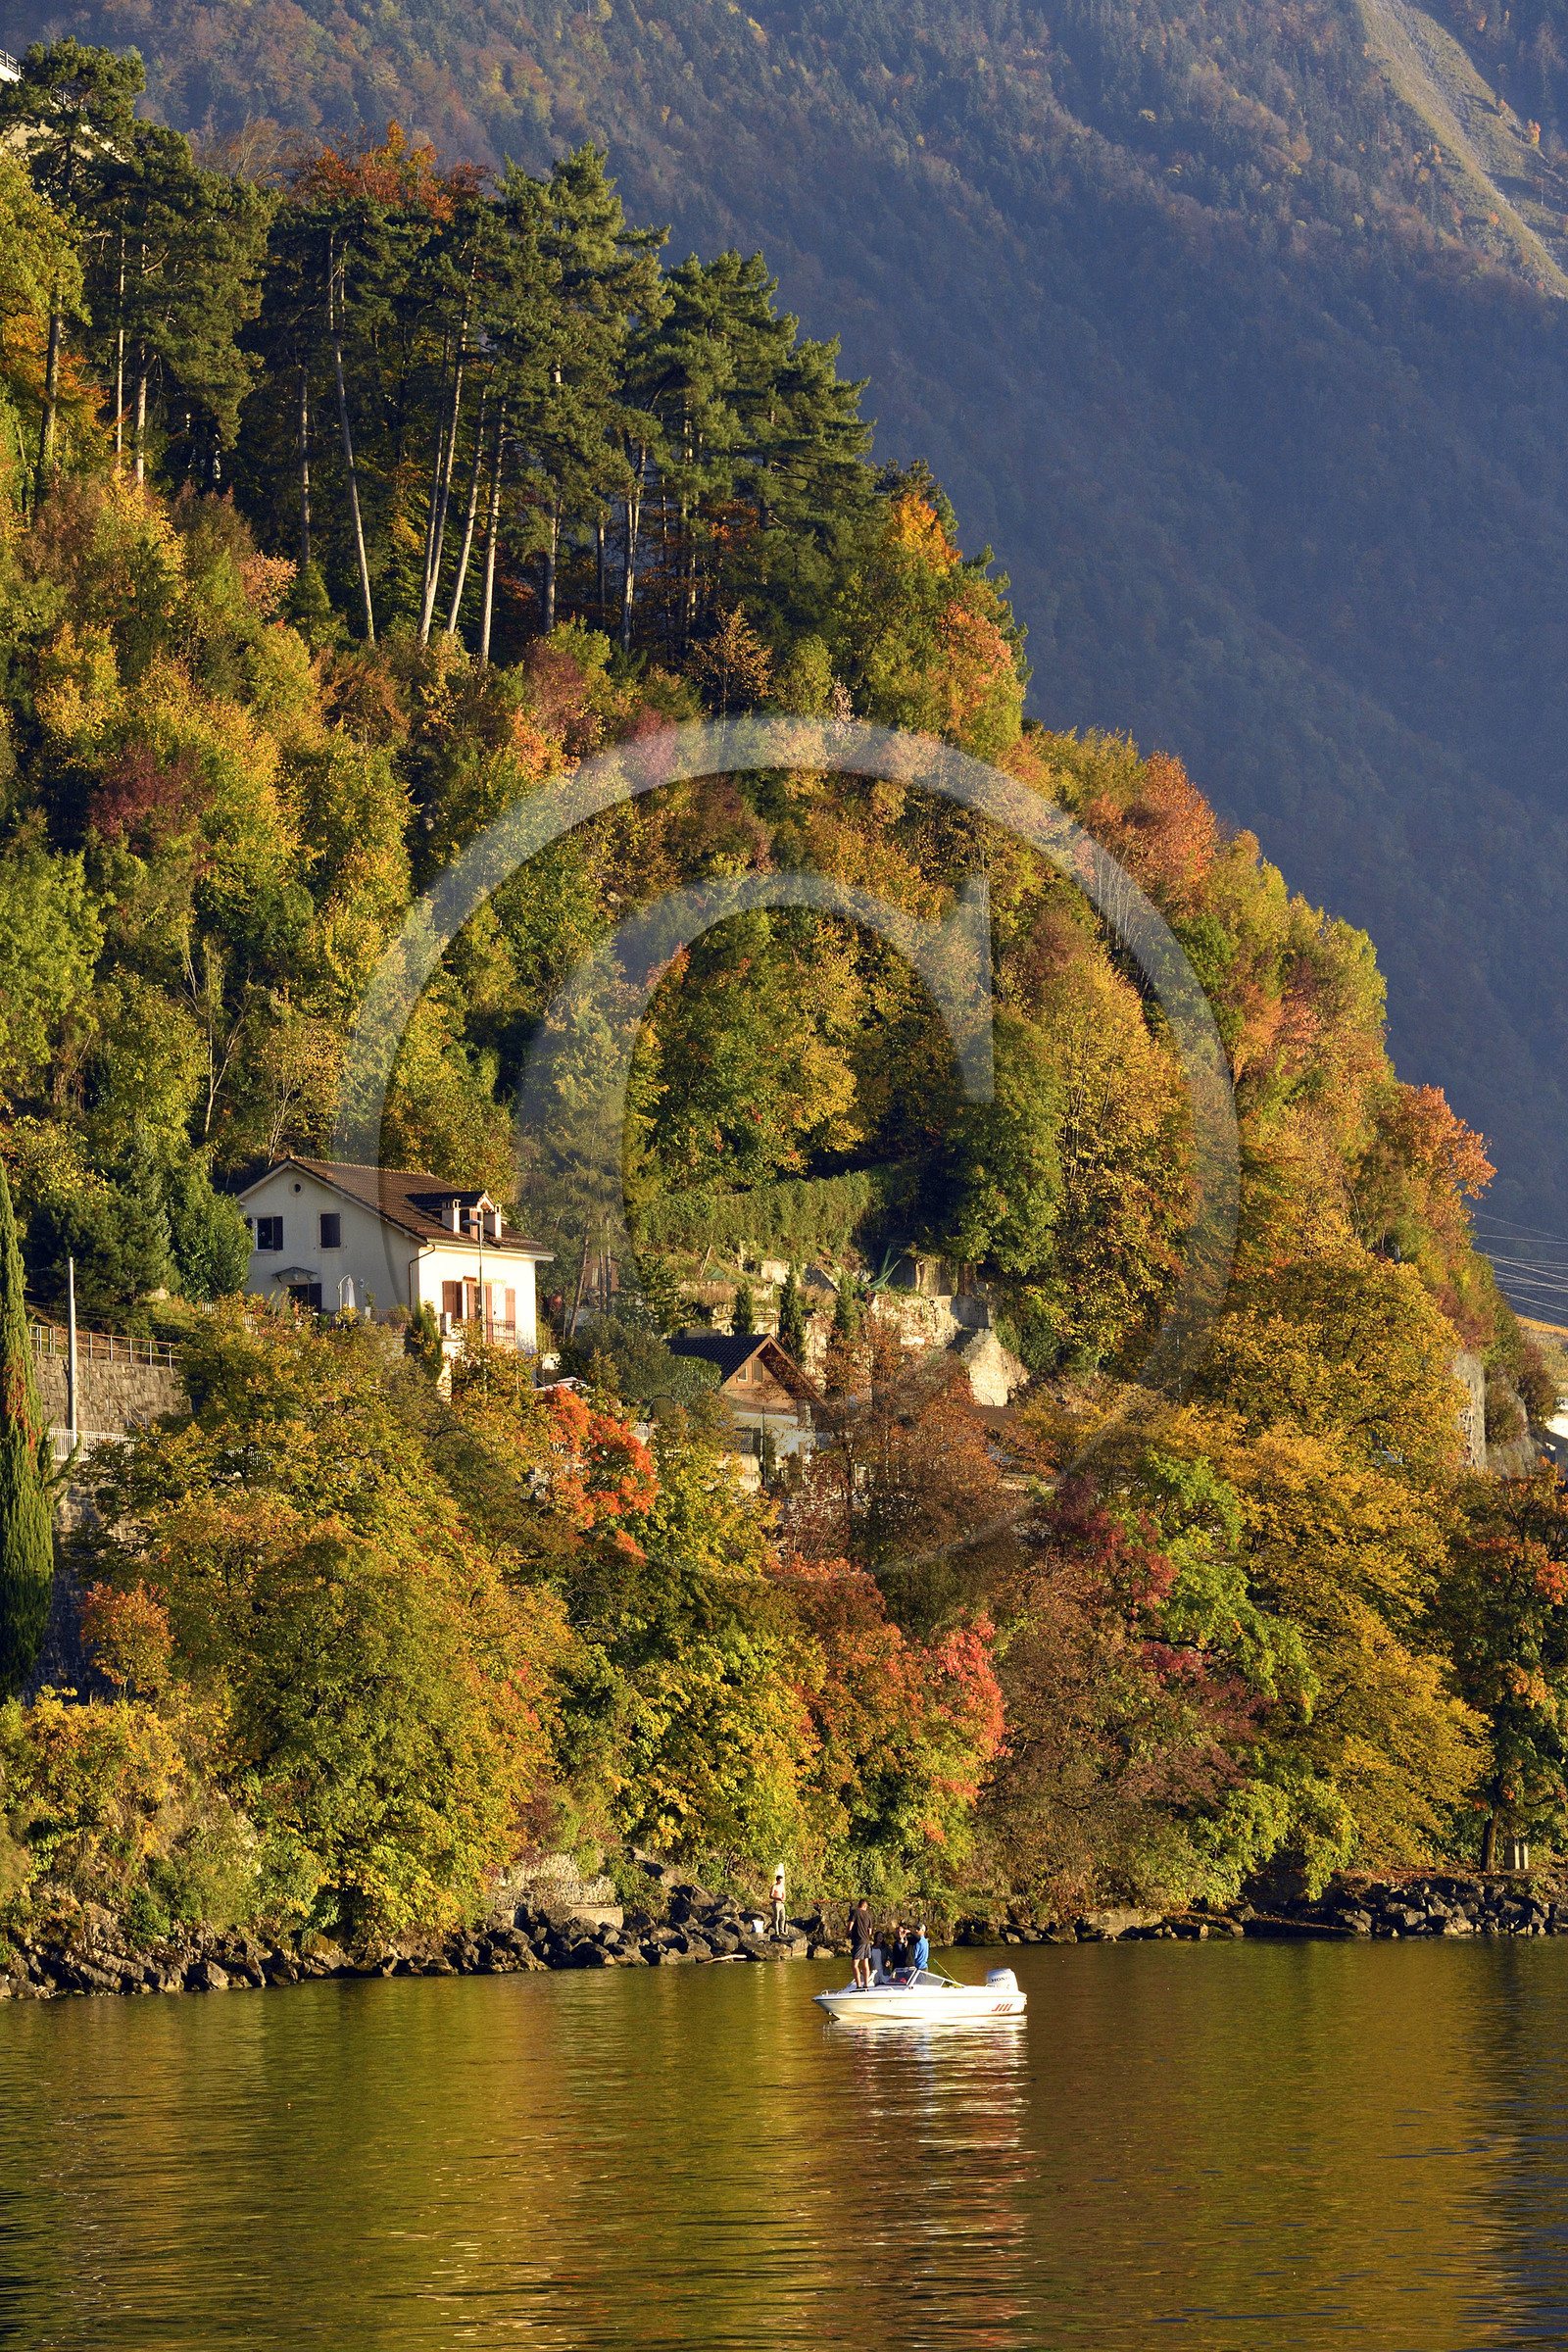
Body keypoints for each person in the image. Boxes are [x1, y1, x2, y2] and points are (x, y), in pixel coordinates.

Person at [851, 1897, 874, 1987]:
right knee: (865, 1963)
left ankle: (859, 1985)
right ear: (865, 1906)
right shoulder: (868, 1916)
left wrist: (848, 1932)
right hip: (867, 1941)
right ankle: (866, 1985)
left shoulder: (855, 1912)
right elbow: (870, 1931)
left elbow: (851, 1924)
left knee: (855, 1964)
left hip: (859, 1941)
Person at [769, 1863, 787, 1941]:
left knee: (783, 1917)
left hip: (781, 1904)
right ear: (777, 1880)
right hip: (776, 1903)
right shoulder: (774, 1886)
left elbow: (784, 1894)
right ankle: (776, 1931)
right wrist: (778, 1898)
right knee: (777, 1917)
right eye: (780, 1880)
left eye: (782, 1880)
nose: (781, 1881)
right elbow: (771, 1895)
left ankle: (782, 1931)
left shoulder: (782, 1886)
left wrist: (783, 1898)